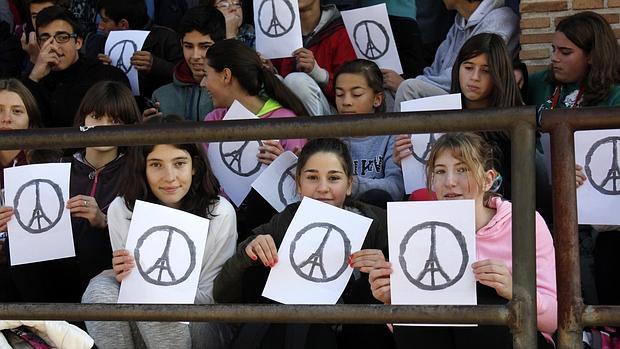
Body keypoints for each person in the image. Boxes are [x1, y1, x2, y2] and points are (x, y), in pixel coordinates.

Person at [370, 132, 557, 349]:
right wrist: (392, 300)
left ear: (488, 179)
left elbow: (551, 321)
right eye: (440, 171)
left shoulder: (524, 221)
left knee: (482, 298)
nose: (449, 182)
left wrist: (513, 291)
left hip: (516, 337)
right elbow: (408, 330)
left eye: (462, 169)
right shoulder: (418, 228)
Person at [213, 137, 395, 349]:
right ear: (299, 184)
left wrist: (385, 270)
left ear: (349, 185)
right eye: (312, 177)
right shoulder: (282, 223)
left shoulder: (377, 223)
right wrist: (247, 255)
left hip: (357, 335)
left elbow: (407, 304)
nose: (323, 188)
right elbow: (222, 293)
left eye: (334, 178)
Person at [82, 115, 238, 349]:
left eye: (179, 163)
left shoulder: (219, 212)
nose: (169, 177)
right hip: (144, 319)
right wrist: (124, 274)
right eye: (156, 165)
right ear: (142, 168)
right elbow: (129, 290)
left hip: (203, 323)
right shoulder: (121, 209)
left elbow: (210, 298)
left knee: (157, 296)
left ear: (194, 166)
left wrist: (160, 284)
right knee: (99, 290)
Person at [526, 12, 620, 310]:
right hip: (543, 190)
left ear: (592, 56)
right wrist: (514, 72)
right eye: (553, 50)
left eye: (565, 52)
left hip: (593, 201)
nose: (554, 58)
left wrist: (589, 178)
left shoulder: (614, 95)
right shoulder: (542, 84)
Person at [200, 39, 308, 241]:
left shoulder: (285, 121)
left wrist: (283, 166)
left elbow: (300, 193)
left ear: (226, 75)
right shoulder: (212, 120)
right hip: (223, 225)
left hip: (274, 230)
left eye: (206, 75)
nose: (202, 83)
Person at [393, 33, 522, 200]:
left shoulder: (514, 126)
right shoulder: (437, 112)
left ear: (499, 75)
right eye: (468, 67)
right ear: (457, 68)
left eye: (486, 71)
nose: (474, 77)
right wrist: (403, 162)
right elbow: (422, 183)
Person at [65, 80, 142, 297]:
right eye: (97, 117)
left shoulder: (138, 172)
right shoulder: (59, 165)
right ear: (83, 119)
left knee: (93, 243)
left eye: (115, 121)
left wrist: (104, 222)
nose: (104, 127)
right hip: (56, 270)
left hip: (106, 271)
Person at [392, 0, 519, 112]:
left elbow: (466, 76)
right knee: (386, 92)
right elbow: (434, 70)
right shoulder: (459, 22)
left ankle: (401, 140)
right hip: (452, 95)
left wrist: (407, 83)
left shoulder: (500, 19)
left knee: (408, 89)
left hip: (477, 101)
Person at [0, 78, 62, 303]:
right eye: (0, 110)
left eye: (17, 111)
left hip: (40, 266)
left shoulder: (50, 163)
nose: (6, 118)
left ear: (30, 120)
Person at [21, 6, 130, 128]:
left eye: (62, 38)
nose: (53, 46)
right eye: (45, 39)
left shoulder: (106, 76)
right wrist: (34, 77)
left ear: (78, 42)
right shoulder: (33, 80)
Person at [334, 59, 404, 207]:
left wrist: (352, 184)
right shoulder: (330, 135)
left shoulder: (392, 135)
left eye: (356, 94)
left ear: (377, 99)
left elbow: (396, 188)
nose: (346, 102)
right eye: (340, 95)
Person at [86, 0, 183, 103]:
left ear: (123, 24)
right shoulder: (101, 42)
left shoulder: (166, 38)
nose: (100, 26)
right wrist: (100, 68)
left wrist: (157, 65)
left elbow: (186, 74)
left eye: (104, 20)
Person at [270, 0, 356, 116]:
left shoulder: (342, 32)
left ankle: (318, 134)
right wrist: (269, 70)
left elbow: (353, 90)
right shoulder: (276, 31)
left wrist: (317, 72)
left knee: (297, 81)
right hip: (288, 114)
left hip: (333, 119)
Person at [149, 5, 226, 121]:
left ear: (222, 44)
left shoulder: (233, 92)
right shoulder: (160, 96)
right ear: (181, 44)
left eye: (204, 46)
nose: (195, 56)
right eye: (188, 46)